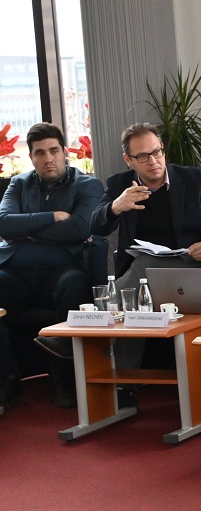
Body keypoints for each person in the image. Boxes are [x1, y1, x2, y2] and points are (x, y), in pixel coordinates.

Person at [75, 123, 201, 373]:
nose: (153, 161)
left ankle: (87, 331)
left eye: (157, 152)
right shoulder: (119, 185)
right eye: (143, 156)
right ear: (129, 160)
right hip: (143, 274)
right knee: (136, 294)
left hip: (191, 267)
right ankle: (124, 383)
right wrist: (115, 206)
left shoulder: (195, 179)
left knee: (142, 269)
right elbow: (95, 226)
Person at [0, 122, 103, 408]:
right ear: (31, 157)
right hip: (16, 271)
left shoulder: (88, 185)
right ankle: (7, 379)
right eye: (40, 153)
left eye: (54, 150)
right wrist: (52, 217)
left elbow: (80, 227)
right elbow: (3, 224)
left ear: (64, 152)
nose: (48, 158)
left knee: (75, 286)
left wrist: (28, 232)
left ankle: (64, 378)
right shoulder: (18, 184)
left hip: (62, 271)